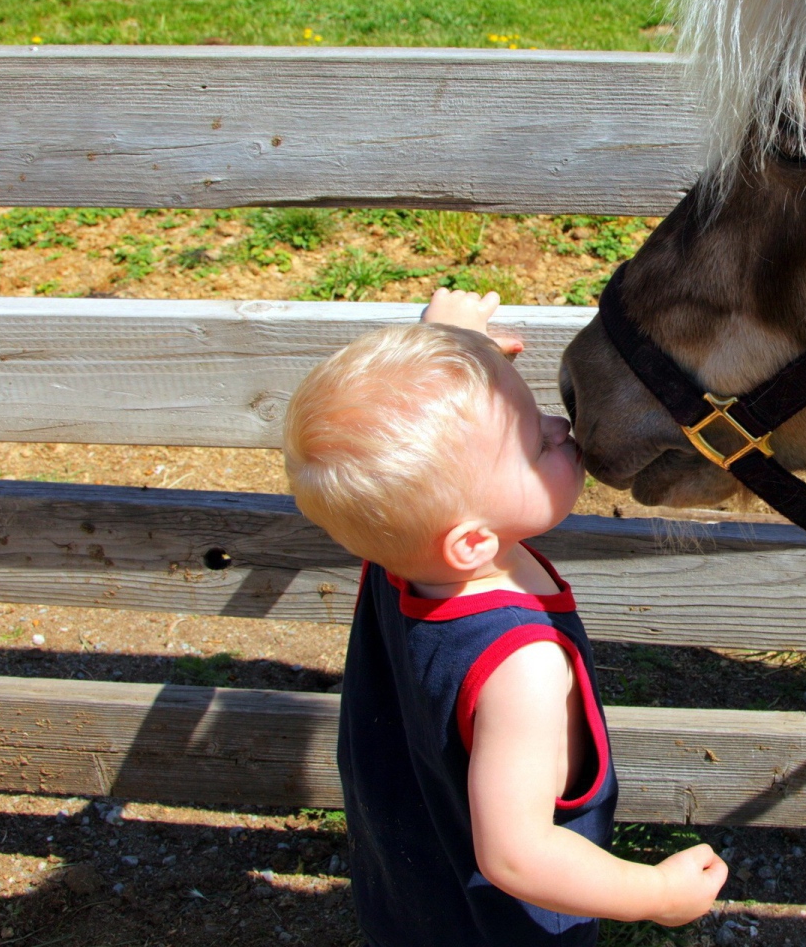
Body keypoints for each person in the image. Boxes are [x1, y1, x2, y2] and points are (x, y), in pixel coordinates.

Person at [283, 287, 727, 945]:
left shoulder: (403, 549)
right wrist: (655, 894)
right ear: (471, 542)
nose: (559, 427)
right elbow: (516, 855)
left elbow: (425, 458)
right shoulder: (522, 669)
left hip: (412, 879)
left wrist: (456, 344)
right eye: (534, 444)